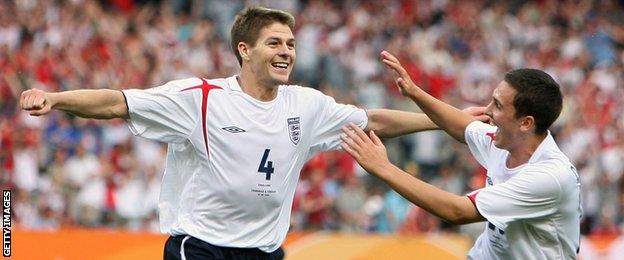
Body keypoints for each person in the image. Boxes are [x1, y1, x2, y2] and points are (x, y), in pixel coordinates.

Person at [19, 7, 485, 260]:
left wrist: (450, 118)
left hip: (264, 253)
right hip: (200, 251)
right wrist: (57, 99)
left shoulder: (307, 104)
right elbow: (118, 102)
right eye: (274, 43)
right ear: (244, 49)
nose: (286, 52)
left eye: (291, 44)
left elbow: (376, 121)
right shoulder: (199, 98)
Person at [341, 50, 581, 259]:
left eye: (497, 105)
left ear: (526, 123)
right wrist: (414, 92)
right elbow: (462, 126)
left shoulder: (548, 177)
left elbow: (457, 211)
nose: (487, 110)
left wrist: (384, 168)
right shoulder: (506, 141)